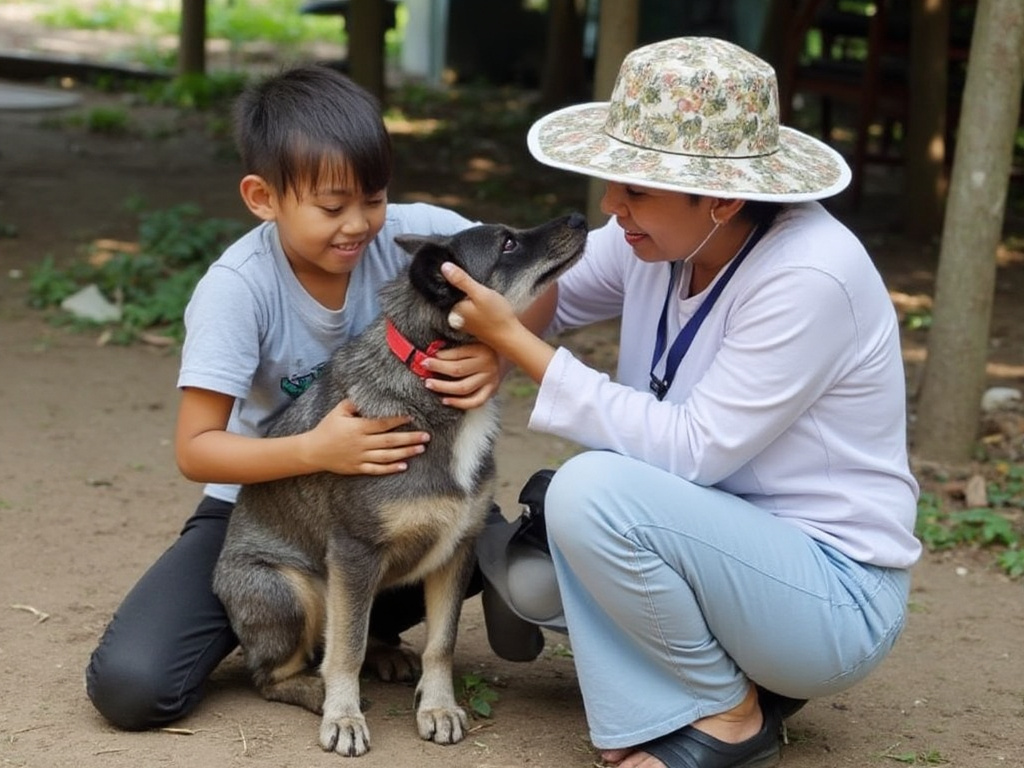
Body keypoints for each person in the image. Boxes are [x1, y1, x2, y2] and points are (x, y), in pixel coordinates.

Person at [450, 37, 921, 768]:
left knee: (590, 493)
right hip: (731, 555)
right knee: (544, 569)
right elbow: (561, 290)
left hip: (830, 598)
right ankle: (719, 681)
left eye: (635, 190)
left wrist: (514, 348)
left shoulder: (809, 275)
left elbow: (696, 449)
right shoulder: (669, 237)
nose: (612, 207)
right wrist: (487, 355)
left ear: (724, 196)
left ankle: (732, 715)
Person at [84, 65, 500, 730]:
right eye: (332, 208)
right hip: (265, 515)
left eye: (374, 198)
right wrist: (315, 448)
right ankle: (285, 663)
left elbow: (526, 276)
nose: (358, 224)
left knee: (489, 540)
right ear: (262, 197)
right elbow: (197, 451)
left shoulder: (413, 236)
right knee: (134, 687)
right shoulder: (238, 289)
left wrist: (495, 350)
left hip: (385, 510)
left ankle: (369, 640)